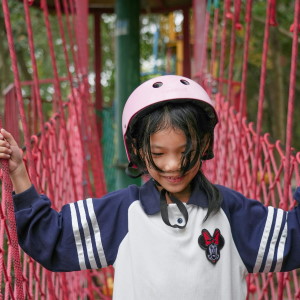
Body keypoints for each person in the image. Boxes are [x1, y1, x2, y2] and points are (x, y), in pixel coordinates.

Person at [0, 75, 300, 300]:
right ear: (137, 150)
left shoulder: (231, 214)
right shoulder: (122, 213)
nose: (173, 165)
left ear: (206, 144)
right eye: (158, 154)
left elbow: (294, 239)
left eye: (185, 151)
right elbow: (50, 240)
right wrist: (19, 173)